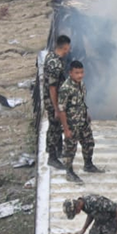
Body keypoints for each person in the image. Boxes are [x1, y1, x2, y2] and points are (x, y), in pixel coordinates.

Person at [58, 60, 102, 184]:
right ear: (70, 73)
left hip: (83, 122)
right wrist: (66, 129)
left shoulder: (81, 84)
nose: (80, 75)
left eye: (82, 72)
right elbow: (61, 110)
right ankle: (69, 171)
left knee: (89, 143)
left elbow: (81, 101)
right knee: (70, 149)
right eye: (77, 73)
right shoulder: (66, 88)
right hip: (72, 124)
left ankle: (88, 164)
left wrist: (86, 114)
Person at [42, 35, 71, 170]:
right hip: (53, 100)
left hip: (54, 99)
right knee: (54, 127)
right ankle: (52, 157)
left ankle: (58, 151)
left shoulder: (51, 57)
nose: (69, 50)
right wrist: (56, 108)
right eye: (68, 48)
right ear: (64, 47)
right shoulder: (56, 64)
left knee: (57, 126)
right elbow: (53, 88)